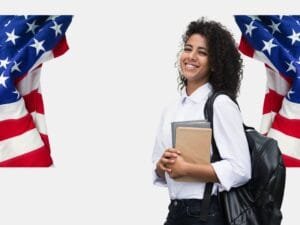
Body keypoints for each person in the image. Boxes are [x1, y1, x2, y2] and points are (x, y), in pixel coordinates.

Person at [152, 17, 251, 225]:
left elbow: (241, 169)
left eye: (202, 52)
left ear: (214, 64)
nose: (192, 57)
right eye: (188, 49)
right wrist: (163, 165)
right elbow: (159, 170)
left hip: (206, 214)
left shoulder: (220, 104)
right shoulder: (170, 110)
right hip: (176, 212)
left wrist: (187, 169)